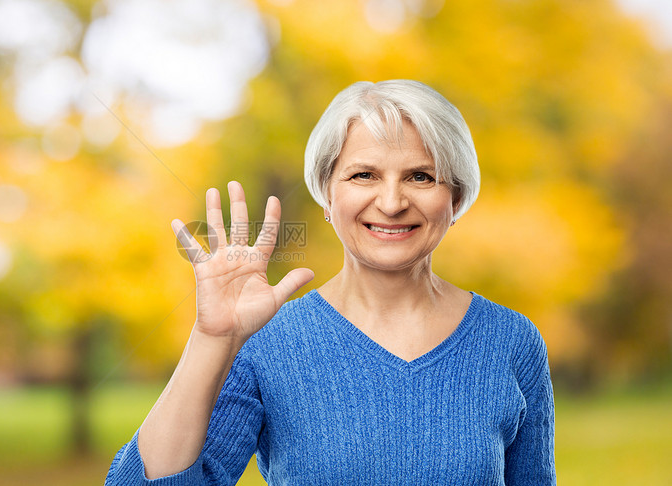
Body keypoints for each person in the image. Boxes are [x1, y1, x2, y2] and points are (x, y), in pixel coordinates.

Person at [105, 80, 555, 485]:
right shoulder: (269, 340)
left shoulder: (512, 341)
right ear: (327, 192)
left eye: (420, 176)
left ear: (454, 197)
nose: (393, 202)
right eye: (364, 175)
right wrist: (212, 337)